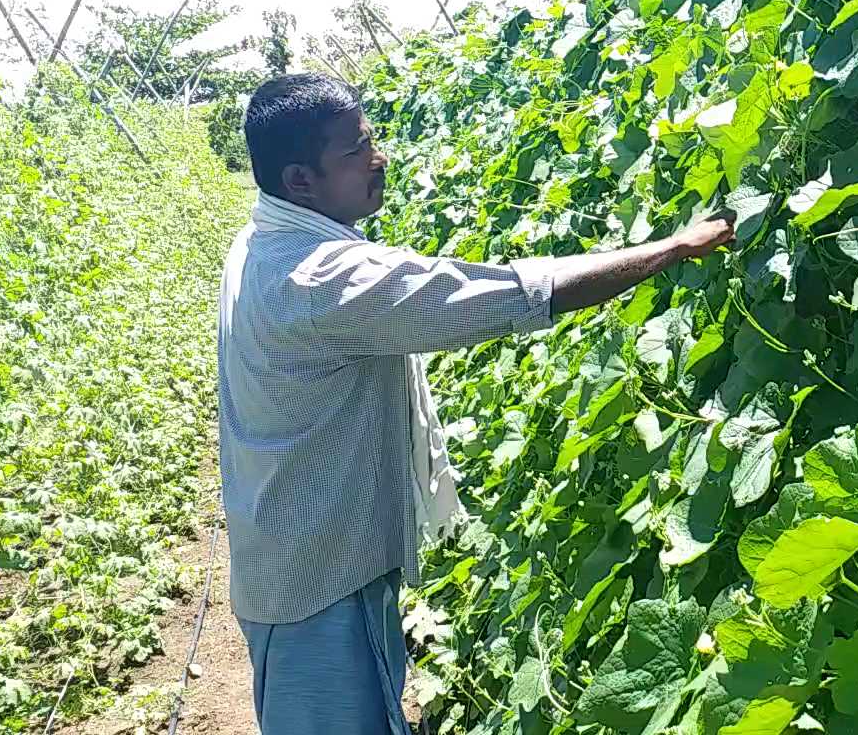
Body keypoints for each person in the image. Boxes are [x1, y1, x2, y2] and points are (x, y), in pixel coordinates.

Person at [218, 73, 733, 734]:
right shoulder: (319, 280)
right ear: (300, 180)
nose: (378, 160)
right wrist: (670, 249)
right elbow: (506, 296)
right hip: (314, 581)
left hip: (296, 550)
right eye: (355, 151)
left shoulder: (260, 239)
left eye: (371, 138)